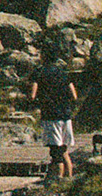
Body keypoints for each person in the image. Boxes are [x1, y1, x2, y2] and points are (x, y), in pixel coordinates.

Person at [29, 48, 78, 179]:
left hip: (51, 115)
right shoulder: (63, 72)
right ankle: (69, 178)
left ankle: (58, 179)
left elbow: (32, 95)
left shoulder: (39, 73)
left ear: (43, 57)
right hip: (66, 115)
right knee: (64, 150)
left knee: (56, 153)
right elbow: (74, 95)